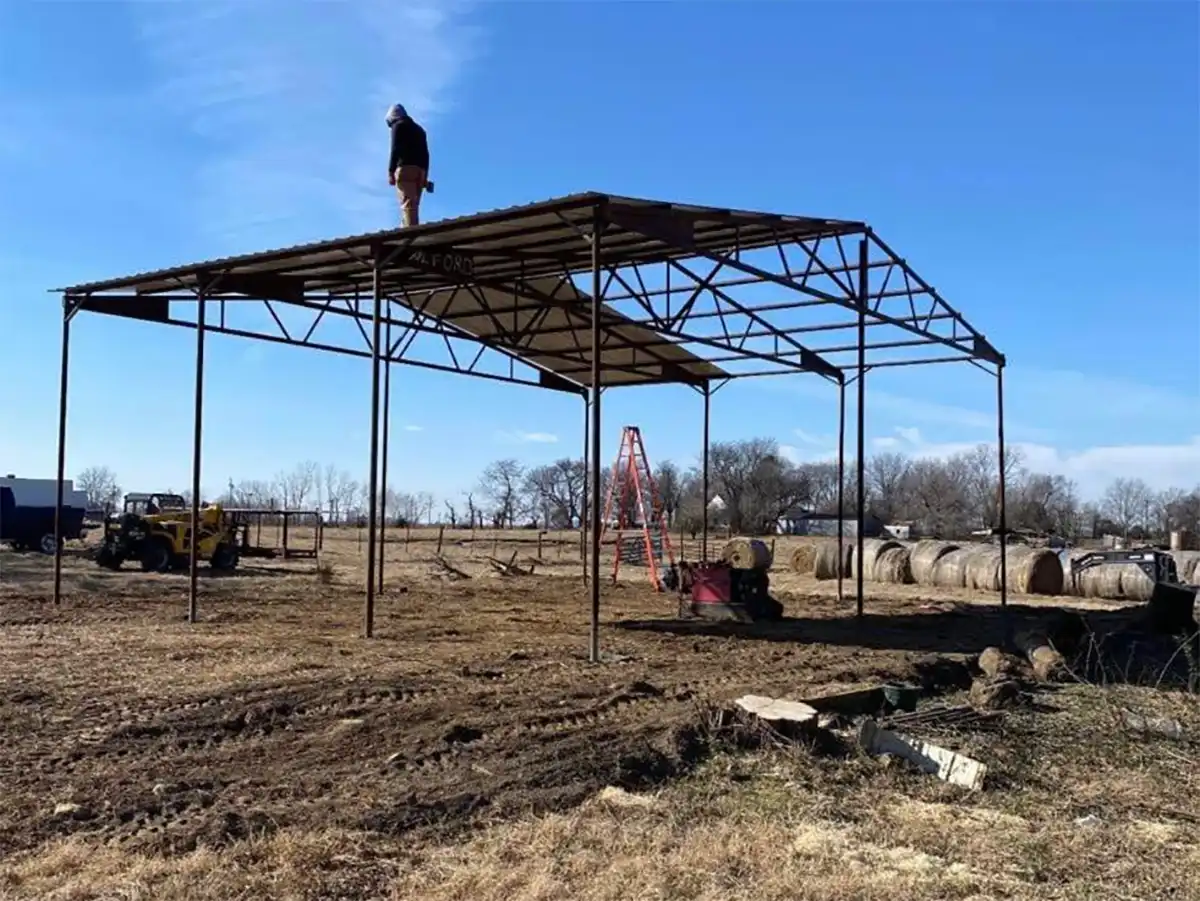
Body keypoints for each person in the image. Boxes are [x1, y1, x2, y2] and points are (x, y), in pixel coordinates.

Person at [386, 103, 430, 227]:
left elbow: (395, 149)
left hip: (405, 168)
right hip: (420, 170)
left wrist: (390, 171)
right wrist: (425, 174)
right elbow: (426, 154)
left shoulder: (398, 126)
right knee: (414, 205)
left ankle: (410, 233)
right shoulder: (420, 130)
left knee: (408, 205)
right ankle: (406, 226)